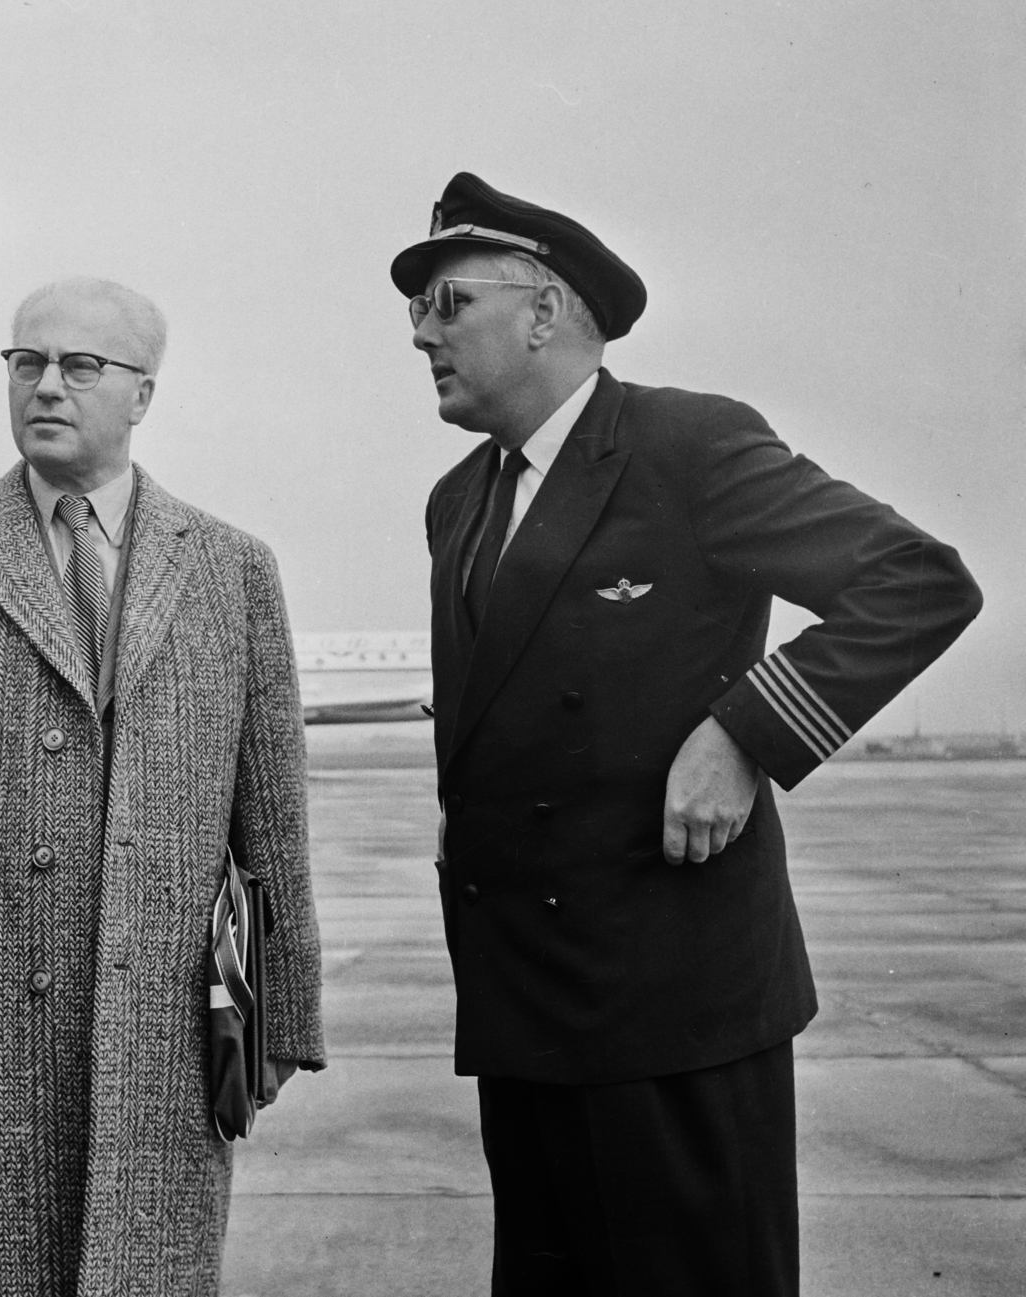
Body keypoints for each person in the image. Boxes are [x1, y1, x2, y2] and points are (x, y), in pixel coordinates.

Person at [394, 172, 982, 1295]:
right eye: (416, 313)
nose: (422, 332)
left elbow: (916, 581)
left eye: (448, 303)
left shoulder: (682, 443)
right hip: (523, 1002)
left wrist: (745, 734)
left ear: (544, 311)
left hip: (668, 1005)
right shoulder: (459, 499)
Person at [0, 276, 326, 1296]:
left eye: (80, 366)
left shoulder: (229, 567)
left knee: (149, 1271)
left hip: (164, 1017)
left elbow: (273, 809)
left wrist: (285, 1012)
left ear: (142, 394)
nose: (46, 385)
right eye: (24, 361)